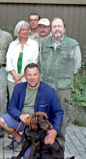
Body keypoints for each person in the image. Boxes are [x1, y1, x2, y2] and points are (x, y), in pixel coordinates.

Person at [0, 63, 64, 158]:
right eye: (29, 75)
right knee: (2, 120)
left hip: (38, 128)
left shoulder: (49, 91)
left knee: (27, 156)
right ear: (25, 76)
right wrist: (20, 115)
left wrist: (55, 131)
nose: (32, 78)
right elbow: (11, 107)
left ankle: (30, 144)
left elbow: (59, 112)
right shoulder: (18, 88)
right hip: (22, 121)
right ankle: (19, 138)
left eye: (35, 74)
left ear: (39, 75)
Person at [40, 17, 81, 147]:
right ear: (51, 29)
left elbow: (77, 66)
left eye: (59, 26)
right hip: (47, 86)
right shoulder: (44, 42)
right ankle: (44, 141)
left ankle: (59, 143)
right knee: (45, 115)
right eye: (54, 26)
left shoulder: (72, 44)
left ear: (64, 28)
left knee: (61, 115)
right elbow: (40, 61)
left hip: (63, 87)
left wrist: (65, 76)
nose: (57, 29)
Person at [6, 20, 38, 99]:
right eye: (22, 30)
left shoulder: (34, 45)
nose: (25, 32)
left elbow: (34, 63)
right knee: (13, 101)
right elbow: (8, 61)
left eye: (27, 29)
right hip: (12, 80)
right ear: (18, 31)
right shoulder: (12, 44)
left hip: (27, 80)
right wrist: (15, 77)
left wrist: (20, 77)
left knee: (26, 102)